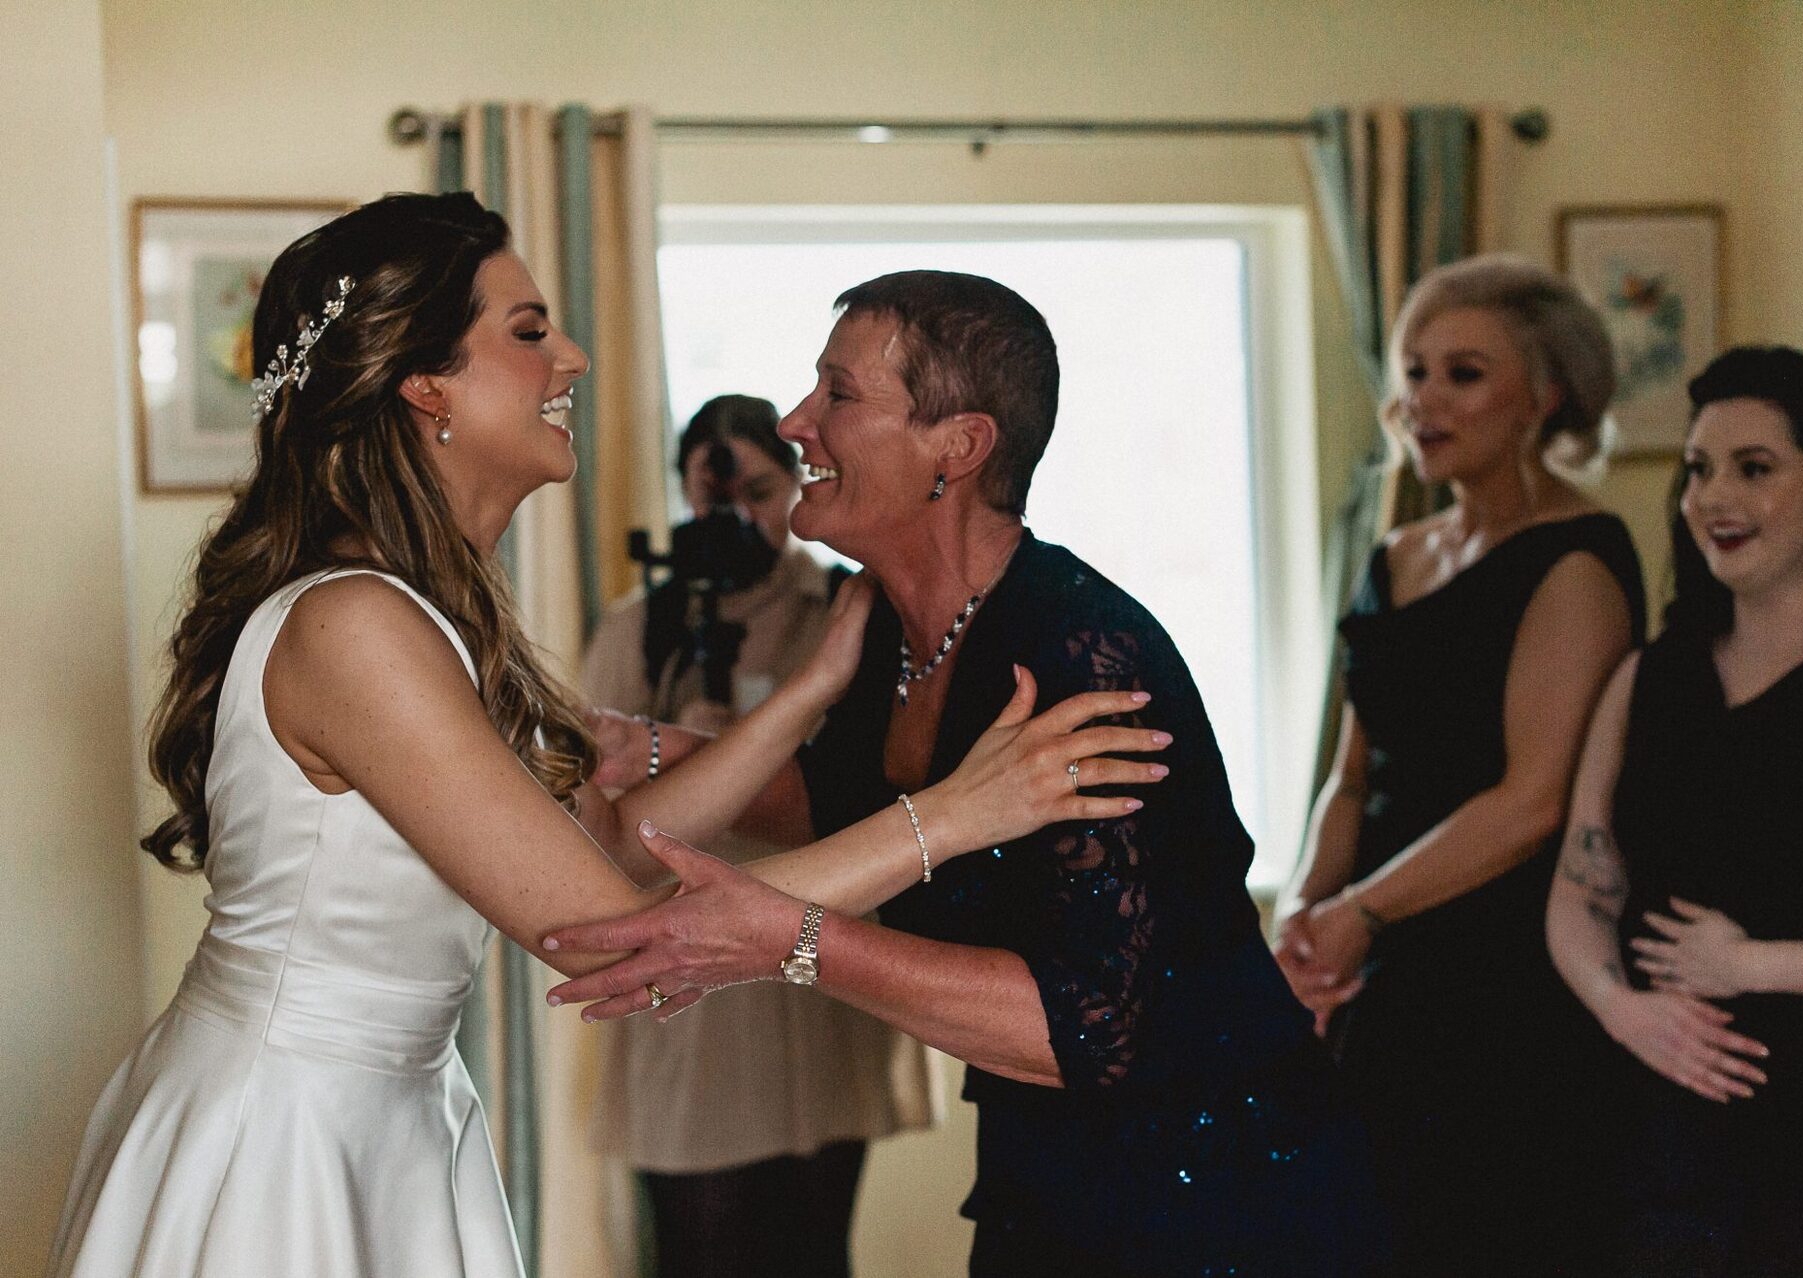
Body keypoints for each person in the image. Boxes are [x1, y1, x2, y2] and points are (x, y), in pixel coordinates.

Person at [46, 196, 1168, 1278]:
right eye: (529, 333)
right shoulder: (354, 626)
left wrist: (811, 687)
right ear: (424, 385)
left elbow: (621, 844)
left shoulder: (428, 607)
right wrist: (956, 816)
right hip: (287, 1135)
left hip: (393, 1113)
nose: (572, 359)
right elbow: (617, 936)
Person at [544, 270, 1385, 1277]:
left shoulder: (1083, 661)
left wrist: (795, 944)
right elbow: (831, 807)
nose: (795, 423)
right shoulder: (887, 635)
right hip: (1046, 1172)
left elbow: (1095, 1026)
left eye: (838, 397)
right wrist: (650, 747)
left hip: (1218, 1194)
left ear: (960, 447)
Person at [1273, 254, 1645, 1274]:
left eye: (1465, 374)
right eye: (1417, 371)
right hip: (1376, 970)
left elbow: (1533, 803)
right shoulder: (1397, 554)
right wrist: (1302, 917)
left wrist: (1361, 914)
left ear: (1546, 394)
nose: (1425, 400)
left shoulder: (1578, 559)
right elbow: (1351, 777)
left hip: (1506, 976)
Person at [1547, 346, 1803, 1276]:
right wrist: (1622, 1009)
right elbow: (1581, 889)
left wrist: (1752, 963)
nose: (1716, 496)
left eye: (1755, 469)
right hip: (1654, 1118)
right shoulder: (1646, 676)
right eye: (1700, 469)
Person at [580, 394, 930, 1278]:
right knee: (698, 1251)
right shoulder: (638, 629)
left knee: (815, 1251)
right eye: (712, 496)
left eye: (762, 493)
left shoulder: (847, 610)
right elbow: (589, 816)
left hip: (819, 984)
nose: (737, 517)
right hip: (695, 1004)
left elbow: (879, 784)